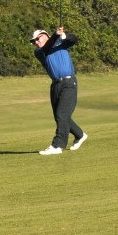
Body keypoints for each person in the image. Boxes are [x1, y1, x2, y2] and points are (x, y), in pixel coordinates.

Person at [31, 27, 88, 155]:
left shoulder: (61, 44)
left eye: (37, 39)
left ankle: (57, 145)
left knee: (62, 114)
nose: (35, 42)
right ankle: (80, 135)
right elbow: (47, 48)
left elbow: (73, 40)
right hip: (55, 85)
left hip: (68, 83)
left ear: (44, 35)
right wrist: (55, 35)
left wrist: (64, 36)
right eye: (33, 41)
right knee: (59, 116)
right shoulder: (39, 52)